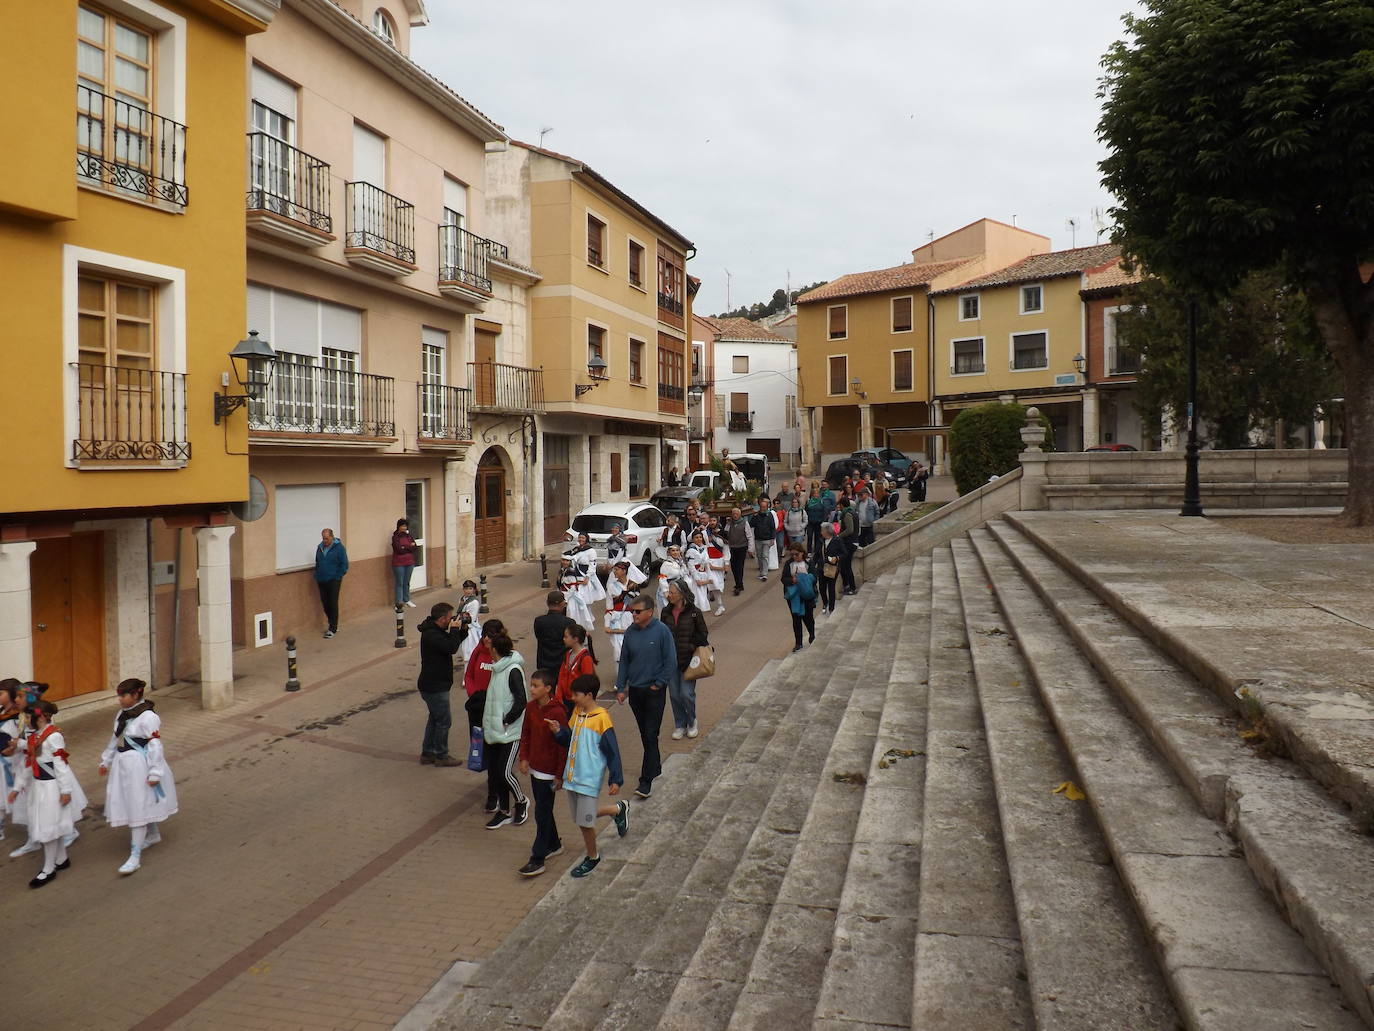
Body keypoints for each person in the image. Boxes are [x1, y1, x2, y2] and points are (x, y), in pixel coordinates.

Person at [549, 674, 628, 878]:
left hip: (589, 777)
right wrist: (559, 732)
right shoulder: (577, 713)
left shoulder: (601, 718)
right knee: (582, 816)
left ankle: (593, 857)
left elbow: (613, 751)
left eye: (576, 694)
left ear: (589, 695)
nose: (573, 698)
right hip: (573, 775)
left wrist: (615, 779)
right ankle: (617, 810)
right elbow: (570, 738)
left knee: (585, 821)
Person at [97, 678, 177, 875]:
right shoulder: (122, 715)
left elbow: (154, 745)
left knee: (138, 806)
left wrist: (155, 772)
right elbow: (115, 738)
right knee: (137, 802)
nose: (119, 700)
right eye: (119, 695)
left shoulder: (148, 717)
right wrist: (106, 760)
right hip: (123, 764)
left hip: (140, 766)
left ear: (135, 695)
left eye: (123, 696)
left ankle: (135, 856)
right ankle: (153, 833)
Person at [8, 700, 86, 888]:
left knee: (49, 827)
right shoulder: (37, 736)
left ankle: (48, 869)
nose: (25, 721)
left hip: (51, 788)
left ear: (41, 717)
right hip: (39, 787)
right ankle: (61, 859)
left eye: (28, 717)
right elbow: (30, 763)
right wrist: (17, 788)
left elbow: (61, 765)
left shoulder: (53, 737)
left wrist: (66, 790)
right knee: (51, 824)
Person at [613, 597, 677, 799]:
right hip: (636, 691)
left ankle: (646, 780)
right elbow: (624, 660)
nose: (633, 615)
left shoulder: (662, 632)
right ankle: (655, 766)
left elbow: (671, 661)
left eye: (637, 612)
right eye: (632, 611)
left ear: (650, 612)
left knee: (650, 734)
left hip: (654, 692)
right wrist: (621, 687)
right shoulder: (631, 631)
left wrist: (658, 683)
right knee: (645, 734)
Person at [516, 669, 568, 878]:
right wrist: (524, 757)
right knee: (544, 809)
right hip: (536, 767)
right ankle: (554, 844)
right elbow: (526, 733)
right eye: (531, 685)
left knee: (541, 811)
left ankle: (538, 857)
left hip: (549, 771)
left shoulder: (558, 713)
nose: (531, 689)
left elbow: (562, 746)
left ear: (547, 688)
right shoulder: (530, 708)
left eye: (536, 686)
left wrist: (559, 775)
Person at [482, 630, 529, 830]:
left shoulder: (513, 670)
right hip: (493, 730)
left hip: (510, 731)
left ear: (496, 650)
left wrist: (507, 720)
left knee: (504, 772)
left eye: (490, 648)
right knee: (495, 772)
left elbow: (521, 700)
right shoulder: (497, 668)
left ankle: (521, 801)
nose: (489, 652)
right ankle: (504, 811)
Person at [462, 618, 503, 812]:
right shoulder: (478, 651)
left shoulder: (503, 657)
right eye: (484, 634)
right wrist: (474, 694)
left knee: (495, 755)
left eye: (491, 635)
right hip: (478, 709)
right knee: (482, 750)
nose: (486, 639)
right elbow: (468, 675)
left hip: (496, 712)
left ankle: (494, 794)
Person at [417, 602, 463, 767]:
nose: (451, 621)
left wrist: (461, 629)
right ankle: (442, 756)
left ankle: (428, 753)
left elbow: (454, 642)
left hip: (433, 684)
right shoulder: (432, 635)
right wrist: (455, 630)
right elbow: (451, 647)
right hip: (435, 686)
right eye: (450, 618)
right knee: (444, 721)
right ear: (443, 618)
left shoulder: (436, 630)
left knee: (434, 719)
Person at [661, 580, 709, 741]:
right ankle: (680, 724)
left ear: (681, 594)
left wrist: (690, 646)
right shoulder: (665, 612)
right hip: (671, 660)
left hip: (689, 660)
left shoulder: (694, 612)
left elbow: (703, 634)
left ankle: (692, 721)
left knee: (687, 693)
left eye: (672, 592)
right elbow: (662, 634)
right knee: (674, 694)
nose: (669, 595)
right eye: (669, 592)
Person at [604, 560, 645, 663]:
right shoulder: (611, 586)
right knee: (619, 650)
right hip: (616, 619)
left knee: (633, 647)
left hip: (631, 617)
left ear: (624, 571)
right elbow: (609, 606)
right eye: (614, 569)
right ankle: (621, 675)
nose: (614, 572)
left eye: (616, 570)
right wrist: (607, 623)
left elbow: (639, 605)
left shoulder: (634, 585)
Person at [781, 544, 818, 652]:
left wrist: (804, 579)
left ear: (802, 553)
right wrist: (792, 580)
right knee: (796, 618)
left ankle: (812, 635)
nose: (794, 557)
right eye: (792, 555)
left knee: (808, 617)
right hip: (793, 596)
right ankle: (798, 642)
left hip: (807, 594)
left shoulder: (808, 563)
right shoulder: (789, 564)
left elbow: (814, 577)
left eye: (796, 554)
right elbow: (783, 579)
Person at [314, 528, 349, 638]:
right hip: (321, 579)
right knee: (325, 603)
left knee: (333, 602)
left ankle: (333, 627)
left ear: (332, 537)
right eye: (323, 538)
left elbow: (344, 564)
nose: (324, 540)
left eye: (326, 538)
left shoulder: (339, 548)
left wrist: (338, 576)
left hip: (334, 579)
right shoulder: (319, 548)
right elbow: (317, 562)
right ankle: (332, 622)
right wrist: (317, 574)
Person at [555, 623, 596, 715]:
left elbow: (587, 683)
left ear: (575, 639)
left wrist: (583, 702)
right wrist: (559, 696)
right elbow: (561, 676)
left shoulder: (585, 658)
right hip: (566, 699)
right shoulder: (567, 655)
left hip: (578, 701)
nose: (563, 639)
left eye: (566, 637)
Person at [0, 679, 23, 842]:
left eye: (1, 693)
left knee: (19, 797)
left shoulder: (17, 718)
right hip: (2, 763)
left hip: (12, 763)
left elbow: (19, 741)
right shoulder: (2, 713)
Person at [534, 592, 579, 675]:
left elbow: (538, 636)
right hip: (562, 663)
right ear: (562, 604)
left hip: (543, 663)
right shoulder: (569, 622)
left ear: (547, 603)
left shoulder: (539, 621)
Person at [816, 523, 845, 615]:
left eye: (822, 530)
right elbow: (816, 554)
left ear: (827, 531)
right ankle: (825, 603)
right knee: (821, 587)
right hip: (821, 567)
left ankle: (831, 607)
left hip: (832, 568)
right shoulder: (820, 541)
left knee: (831, 587)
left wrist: (836, 558)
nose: (821, 532)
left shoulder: (837, 540)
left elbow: (844, 553)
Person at [390, 519, 418, 609]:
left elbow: (415, 547)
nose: (404, 528)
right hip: (398, 564)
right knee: (400, 583)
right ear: (398, 526)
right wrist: (409, 546)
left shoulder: (409, 536)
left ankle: (407, 600)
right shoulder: (395, 537)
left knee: (407, 582)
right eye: (402, 526)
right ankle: (398, 603)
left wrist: (406, 547)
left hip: (409, 562)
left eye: (405, 526)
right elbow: (399, 550)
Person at [749, 496, 778, 582]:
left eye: (764, 507)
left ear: (767, 507)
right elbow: (751, 524)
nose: (763, 508)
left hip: (767, 539)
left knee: (765, 556)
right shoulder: (756, 516)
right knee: (759, 556)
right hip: (758, 539)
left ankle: (764, 574)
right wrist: (754, 516)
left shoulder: (769, 516)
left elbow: (772, 527)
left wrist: (773, 538)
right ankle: (761, 572)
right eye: (761, 507)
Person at [683, 532, 714, 613]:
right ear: (693, 539)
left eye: (700, 537)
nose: (699, 539)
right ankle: (694, 610)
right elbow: (691, 565)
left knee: (703, 593)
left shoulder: (704, 548)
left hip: (703, 573)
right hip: (695, 575)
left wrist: (709, 575)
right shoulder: (691, 550)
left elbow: (707, 563)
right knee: (696, 593)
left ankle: (700, 609)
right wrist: (696, 578)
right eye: (696, 537)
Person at [724, 507, 752, 595]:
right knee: (733, 566)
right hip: (732, 547)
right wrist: (728, 523)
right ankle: (738, 583)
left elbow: (749, 536)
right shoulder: (730, 523)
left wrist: (750, 549)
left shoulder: (745, 523)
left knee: (739, 566)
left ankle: (739, 585)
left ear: (740, 514)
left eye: (736, 514)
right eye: (733, 514)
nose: (735, 515)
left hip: (742, 547)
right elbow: (725, 532)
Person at [836, 497, 860, 596]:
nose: (838, 506)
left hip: (850, 543)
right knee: (843, 566)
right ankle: (847, 586)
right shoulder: (852, 512)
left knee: (846, 566)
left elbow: (850, 530)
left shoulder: (847, 514)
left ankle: (852, 587)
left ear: (842, 505)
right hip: (851, 542)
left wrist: (838, 536)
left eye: (839, 504)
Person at [457, 579, 482, 663]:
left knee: (470, 652)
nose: (468, 591)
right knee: (465, 651)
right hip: (463, 627)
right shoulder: (462, 599)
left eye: (470, 588)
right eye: (466, 588)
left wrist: (461, 622)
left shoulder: (474, 602)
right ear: (463, 589)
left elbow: (471, 619)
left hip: (471, 630)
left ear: (474, 590)